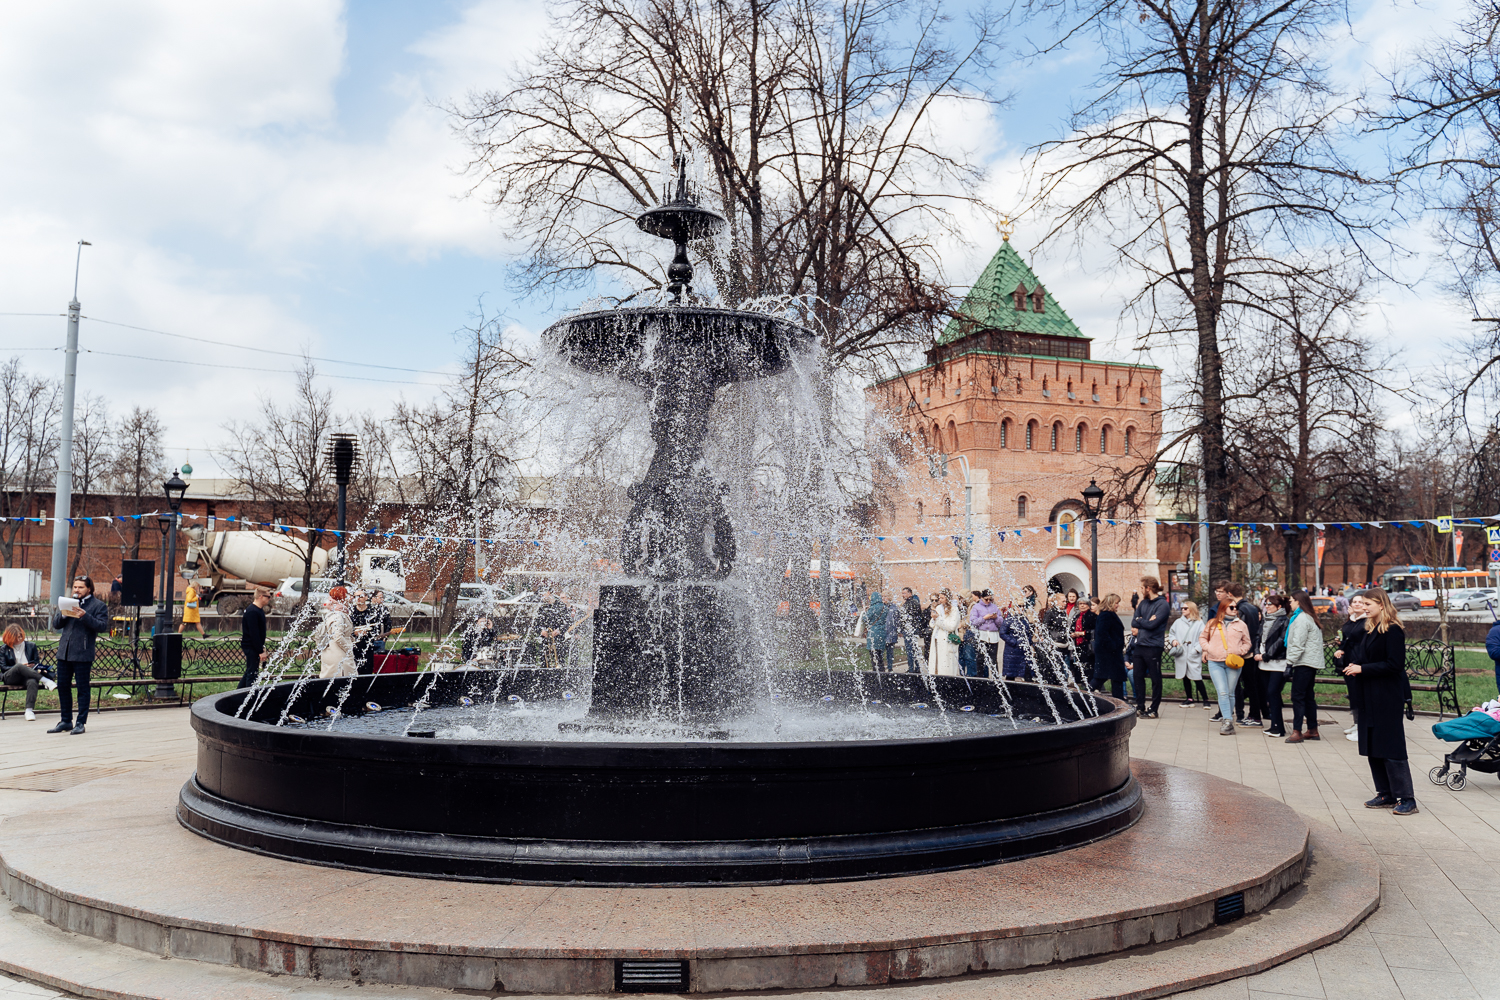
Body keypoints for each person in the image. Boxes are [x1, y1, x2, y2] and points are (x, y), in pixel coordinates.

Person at [1344, 588, 1416, 815]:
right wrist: (1354, 666)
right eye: (1362, 604)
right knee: (1373, 745)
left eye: (1368, 604)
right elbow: (1364, 654)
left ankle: (1407, 798)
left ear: (1381, 604)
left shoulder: (1392, 630)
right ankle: (1385, 793)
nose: (1364, 607)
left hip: (1386, 696)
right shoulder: (1370, 628)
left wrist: (1362, 668)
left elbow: (1394, 665)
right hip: (1368, 695)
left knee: (1391, 747)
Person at [49, 575, 109, 734]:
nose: (77, 590)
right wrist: (63, 614)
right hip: (65, 652)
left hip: (82, 653)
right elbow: (56, 625)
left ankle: (80, 722)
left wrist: (84, 615)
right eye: (75, 587)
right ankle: (65, 720)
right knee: (62, 686)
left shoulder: (98, 606)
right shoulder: (68, 602)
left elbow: (102, 626)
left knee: (82, 688)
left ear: (89, 589)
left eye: (80, 587)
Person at [1200, 598, 1252, 736]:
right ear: (1223, 609)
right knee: (1222, 692)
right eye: (1231, 607)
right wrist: (1208, 648)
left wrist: (1240, 651)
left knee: (1230, 692)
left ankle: (1227, 719)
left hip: (1233, 662)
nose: (1235, 609)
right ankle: (1228, 721)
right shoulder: (1212, 623)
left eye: (1236, 607)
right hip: (1215, 661)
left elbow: (1247, 642)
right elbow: (1203, 638)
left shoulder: (1241, 625)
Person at [1284, 588, 1324, 743]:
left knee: (1298, 696)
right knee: (1307, 697)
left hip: (1303, 662)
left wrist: (1289, 663)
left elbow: (1297, 644)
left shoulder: (1301, 619)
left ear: (1298, 601)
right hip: (1310, 662)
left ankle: (1297, 731)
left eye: (1291, 601)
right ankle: (1312, 730)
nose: (1290, 603)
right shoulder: (1309, 617)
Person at [1129, 576, 1170, 718]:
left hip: (1153, 646)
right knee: (1137, 676)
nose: (1140, 591)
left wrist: (1142, 621)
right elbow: (1134, 622)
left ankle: (1154, 709)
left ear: (1148, 588)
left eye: (1142, 588)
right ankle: (1140, 706)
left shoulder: (1162, 604)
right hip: (1140, 644)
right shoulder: (1143, 603)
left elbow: (1153, 625)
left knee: (1155, 678)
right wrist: (1143, 621)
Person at [1, 625, 54, 721]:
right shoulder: (3, 649)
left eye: (20, 636)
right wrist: (21, 667)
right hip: (10, 677)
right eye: (17, 637)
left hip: (28, 676)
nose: (20, 639)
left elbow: (37, 663)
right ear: (10, 637)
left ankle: (29, 711)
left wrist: (32, 666)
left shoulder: (31, 646)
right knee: (19, 666)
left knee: (33, 681)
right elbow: (4, 668)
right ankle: (45, 680)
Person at [1256, 594, 1290, 737]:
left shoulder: (1284, 621)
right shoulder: (1265, 619)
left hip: (1277, 662)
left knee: (1273, 693)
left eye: (1270, 604)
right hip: (1263, 664)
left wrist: (1265, 655)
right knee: (1269, 694)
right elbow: (1258, 637)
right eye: (1266, 603)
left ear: (1279, 607)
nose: (1267, 606)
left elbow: (1282, 641)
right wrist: (1257, 652)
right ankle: (1274, 725)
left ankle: (1279, 728)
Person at [1337, 593, 1370, 742]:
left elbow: (1360, 641)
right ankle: (1357, 724)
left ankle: (1361, 728)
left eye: (1360, 602)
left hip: (1358, 662)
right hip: (1349, 661)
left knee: (1359, 696)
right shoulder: (1353, 620)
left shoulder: (1366, 621)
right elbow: (1347, 636)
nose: (1357, 604)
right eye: (1354, 602)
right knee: (1353, 695)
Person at [1168, 600, 1207, 707]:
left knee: (1196, 677)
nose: (1183, 610)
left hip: (1193, 653)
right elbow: (1171, 634)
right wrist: (1174, 641)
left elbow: (1203, 637)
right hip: (1182, 653)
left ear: (1191, 610)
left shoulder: (1199, 623)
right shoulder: (1177, 622)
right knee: (1184, 677)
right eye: (1182, 608)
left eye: (1185, 608)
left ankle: (1206, 700)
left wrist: (1196, 649)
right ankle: (1189, 698)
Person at [1092, 594, 1127, 698]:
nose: (1118, 605)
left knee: (1113, 678)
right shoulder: (1106, 615)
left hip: (1111, 653)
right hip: (1109, 654)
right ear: (1111, 603)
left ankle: (1119, 702)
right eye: (1116, 603)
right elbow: (1102, 634)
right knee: (1102, 678)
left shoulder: (1107, 614)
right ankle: (1082, 696)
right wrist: (1113, 646)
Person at [317, 586, 355, 679]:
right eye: (347, 595)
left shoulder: (335, 612)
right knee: (344, 683)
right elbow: (338, 636)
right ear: (342, 598)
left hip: (332, 652)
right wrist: (348, 649)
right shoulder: (339, 615)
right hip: (339, 654)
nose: (350, 598)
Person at [238, 586, 271, 688]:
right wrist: (260, 651)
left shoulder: (258, 610)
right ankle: (248, 698)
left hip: (253, 646)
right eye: (268, 597)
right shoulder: (253, 611)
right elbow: (254, 633)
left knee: (250, 672)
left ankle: (237, 695)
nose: (269, 599)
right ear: (261, 596)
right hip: (251, 646)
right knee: (252, 675)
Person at [928, 590, 962, 677]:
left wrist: (938, 619)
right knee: (936, 663)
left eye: (942, 598)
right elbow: (932, 624)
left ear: (948, 598)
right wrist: (934, 618)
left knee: (946, 665)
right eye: (940, 598)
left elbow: (951, 626)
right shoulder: (938, 608)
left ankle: (947, 681)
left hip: (947, 640)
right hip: (936, 639)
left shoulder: (954, 610)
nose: (940, 600)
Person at [969, 589, 1003, 675]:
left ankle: (997, 680)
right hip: (982, 635)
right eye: (986, 599)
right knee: (980, 659)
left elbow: (1000, 623)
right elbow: (973, 622)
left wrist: (995, 617)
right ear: (981, 598)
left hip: (993, 636)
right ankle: (980, 679)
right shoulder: (976, 607)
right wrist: (984, 618)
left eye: (990, 599)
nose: (988, 601)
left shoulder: (994, 607)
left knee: (993, 660)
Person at [998, 604, 1031, 680]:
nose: (1021, 608)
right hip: (1012, 651)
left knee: (1026, 673)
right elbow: (1002, 633)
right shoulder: (1009, 619)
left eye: (1023, 606)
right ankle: (1009, 690)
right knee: (1011, 674)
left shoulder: (1024, 619)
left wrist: (1029, 642)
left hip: (1023, 650)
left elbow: (1029, 632)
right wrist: (1014, 642)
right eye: (1019, 606)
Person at [349, 590, 378, 675]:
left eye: (361, 596)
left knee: (367, 670)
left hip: (367, 646)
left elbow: (376, 629)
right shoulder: (351, 612)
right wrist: (354, 632)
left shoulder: (372, 612)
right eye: (356, 596)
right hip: (354, 647)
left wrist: (367, 633)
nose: (358, 599)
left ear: (366, 597)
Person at [897, 587, 924, 673]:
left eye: (904, 593)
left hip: (910, 629)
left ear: (910, 593)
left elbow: (910, 617)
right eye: (902, 593)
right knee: (913, 649)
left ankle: (912, 668)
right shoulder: (909, 603)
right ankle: (916, 667)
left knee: (910, 649)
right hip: (911, 629)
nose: (903, 595)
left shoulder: (912, 603)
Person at [1072, 597, 1097, 680]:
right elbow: (1072, 628)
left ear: (1089, 605)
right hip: (1078, 644)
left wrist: (1083, 633)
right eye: (1080, 604)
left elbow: (1096, 630)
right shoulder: (1076, 616)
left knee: (1089, 666)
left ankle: (1091, 684)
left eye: (1084, 604)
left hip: (1088, 644)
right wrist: (1072, 634)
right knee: (1080, 665)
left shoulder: (1093, 616)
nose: (1082, 606)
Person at [864, 592, 889, 671]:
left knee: (874, 655)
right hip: (882, 632)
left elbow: (865, 619)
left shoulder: (873, 608)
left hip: (873, 633)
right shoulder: (885, 608)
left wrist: (865, 612)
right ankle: (882, 672)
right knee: (880, 655)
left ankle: (876, 673)